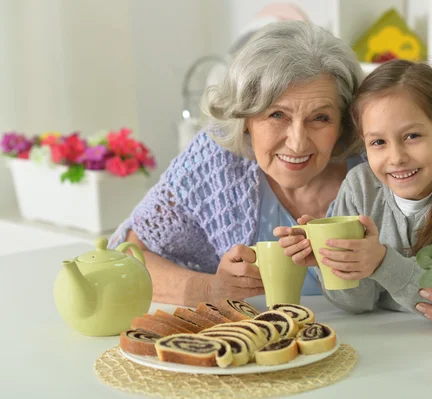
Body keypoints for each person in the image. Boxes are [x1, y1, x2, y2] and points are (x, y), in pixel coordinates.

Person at [108, 21, 366, 307]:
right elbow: (127, 256)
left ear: (343, 122)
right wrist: (209, 289)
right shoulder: (215, 161)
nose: (297, 143)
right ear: (244, 120)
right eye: (277, 115)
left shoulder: (375, 164)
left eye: (320, 118)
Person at [276, 59, 432, 329]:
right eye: (378, 142)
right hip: (384, 342)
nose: (396, 157)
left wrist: (382, 262)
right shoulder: (359, 187)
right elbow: (358, 305)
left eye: (411, 136)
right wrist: (331, 264)